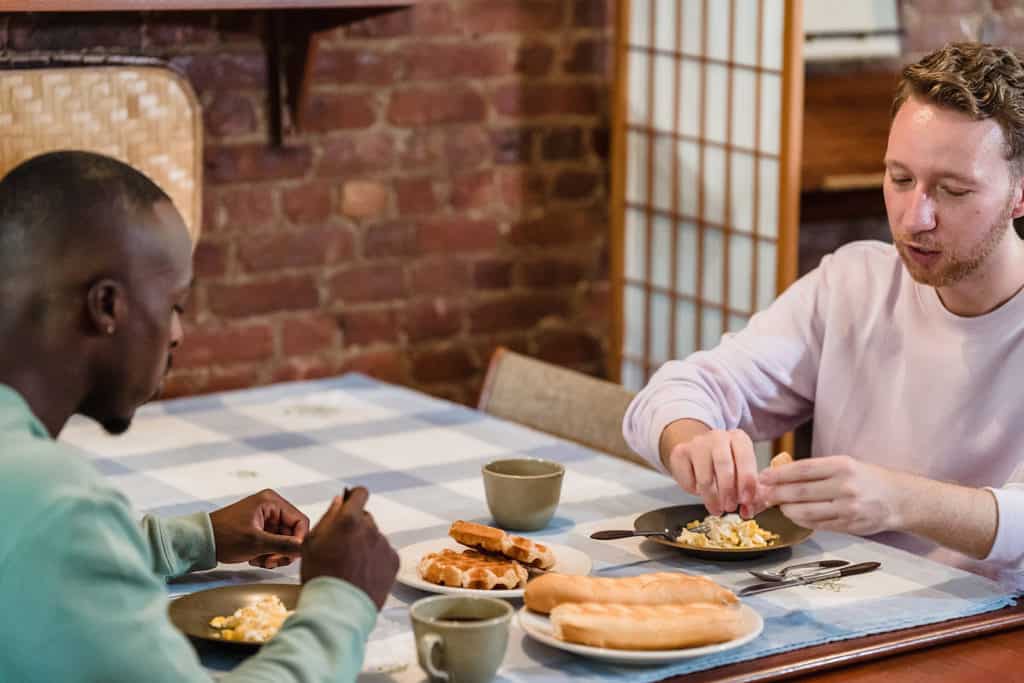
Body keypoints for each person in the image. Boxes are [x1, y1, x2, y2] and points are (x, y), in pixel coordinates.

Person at [623, 42, 1024, 589]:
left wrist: (899, 501)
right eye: (900, 179)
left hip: (981, 630)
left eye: (952, 191)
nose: (914, 218)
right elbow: (676, 390)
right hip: (833, 593)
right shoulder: (854, 283)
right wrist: (693, 440)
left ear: (1019, 193)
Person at [0, 150, 399, 681]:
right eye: (174, 305)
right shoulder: (57, 504)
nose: (178, 334)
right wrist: (341, 599)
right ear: (106, 307)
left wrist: (196, 538)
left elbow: (33, 561)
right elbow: (53, 533)